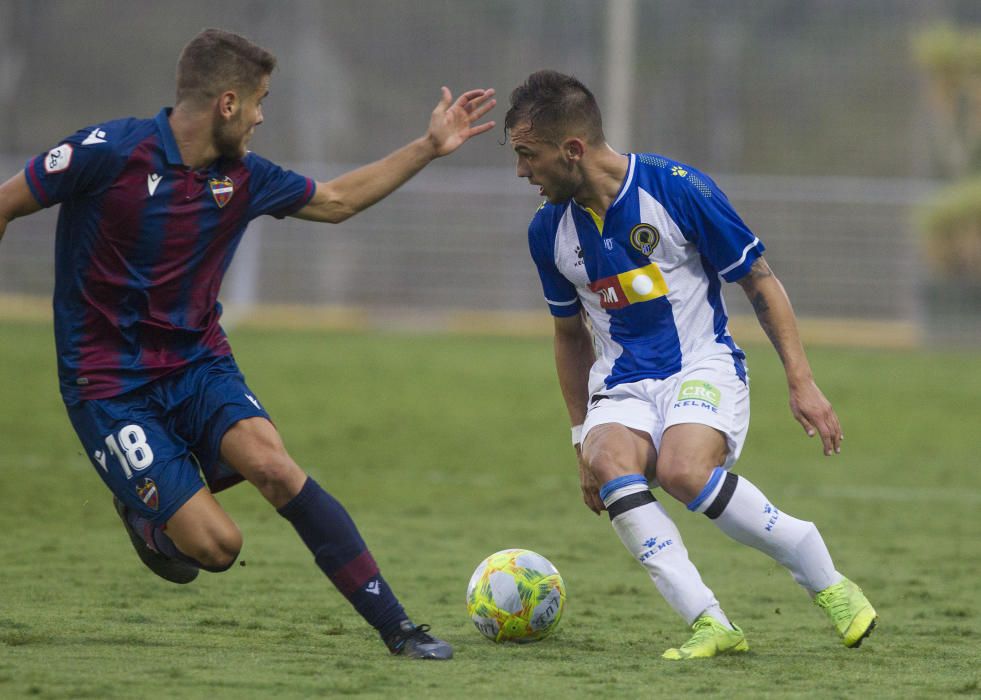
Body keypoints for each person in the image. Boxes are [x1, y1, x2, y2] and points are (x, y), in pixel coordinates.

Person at [0, 28, 496, 660]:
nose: (263, 115)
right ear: (227, 104)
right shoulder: (107, 152)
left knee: (273, 464)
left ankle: (398, 628)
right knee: (216, 548)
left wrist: (429, 146)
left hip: (199, 362)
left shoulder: (244, 177)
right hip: (108, 386)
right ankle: (150, 513)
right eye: (259, 101)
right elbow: (5, 204)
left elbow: (338, 200)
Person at [505, 70, 877, 659]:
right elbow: (569, 334)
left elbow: (759, 281)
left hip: (702, 365)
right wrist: (581, 434)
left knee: (682, 471)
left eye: (528, 155)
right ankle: (710, 623)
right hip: (623, 384)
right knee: (609, 462)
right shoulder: (546, 230)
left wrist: (801, 382)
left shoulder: (678, 189)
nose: (522, 171)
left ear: (571, 150)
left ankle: (825, 579)